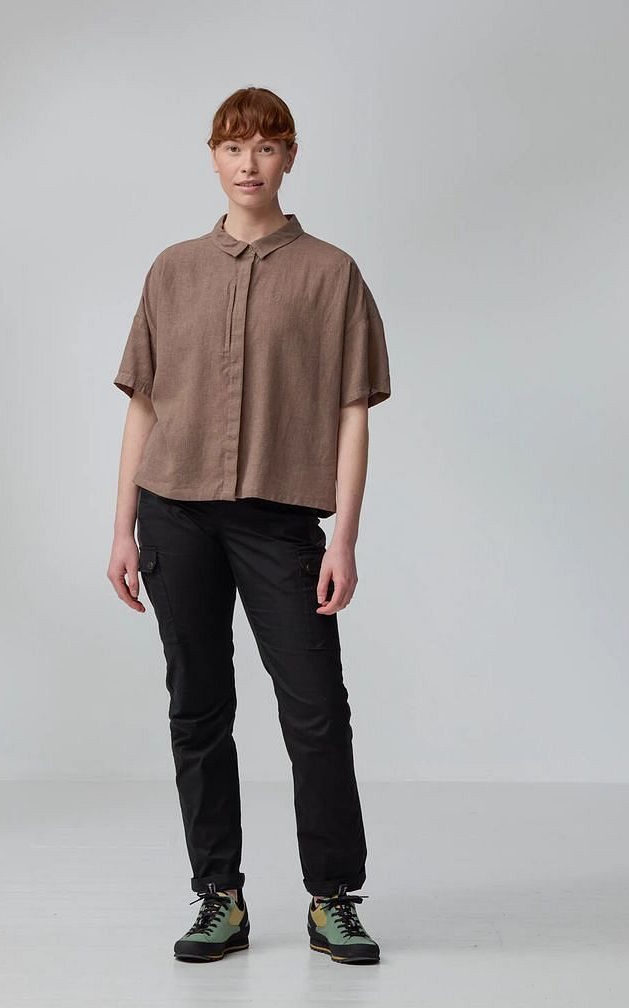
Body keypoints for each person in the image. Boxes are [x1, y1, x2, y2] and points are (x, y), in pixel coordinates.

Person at [107, 87, 391, 965]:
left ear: (290, 157)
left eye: (266, 146)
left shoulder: (331, 274)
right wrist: (121, 529)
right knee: (197, 707)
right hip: (175, 514)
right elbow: (144, 405)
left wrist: (344, 538)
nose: (249, 163)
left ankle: (333, 898)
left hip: (279, 520)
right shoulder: (172, 270)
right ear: (213, 157)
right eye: (234, 147)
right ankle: (218, 897)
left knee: (316, 709)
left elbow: (352, 411)